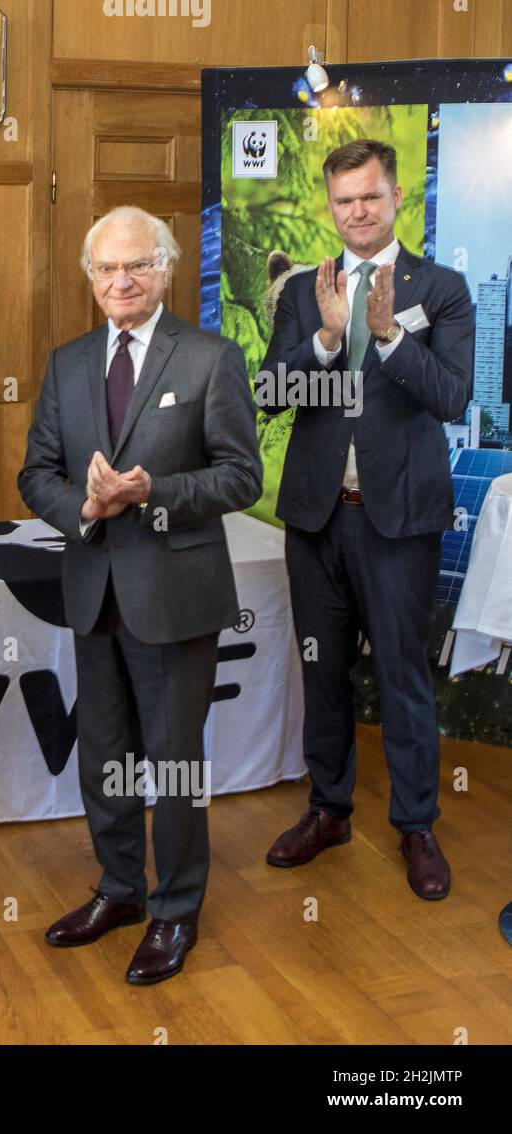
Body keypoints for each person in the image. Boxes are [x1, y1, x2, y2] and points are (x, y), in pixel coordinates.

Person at [18, 205, 262, 984]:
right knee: (105, 759)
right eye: (105, 269)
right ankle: (119, 889)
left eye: (137, 266)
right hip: (95, 590)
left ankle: (176, 908)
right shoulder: (68, 361)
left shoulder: (211, 358)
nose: (120, 281)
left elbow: (241, 478)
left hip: (176, 593)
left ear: (166, 269)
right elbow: (36, 474)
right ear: (90, 277)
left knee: (174, 763)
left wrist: (156, 489)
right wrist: (84, 509)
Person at [260, 140, 474, 900]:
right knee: (321, 670)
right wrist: (323, 338)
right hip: (317, 519)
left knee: (404, 676)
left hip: (398, 522)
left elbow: (452, 398)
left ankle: (417, 824)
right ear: (331, 206)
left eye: (371, 197)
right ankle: (329, 809)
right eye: (344, 199)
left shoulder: (441, 288)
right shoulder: (299, 292)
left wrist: (385, 336)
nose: (357, 211)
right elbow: (268, 394)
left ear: (396, 199)